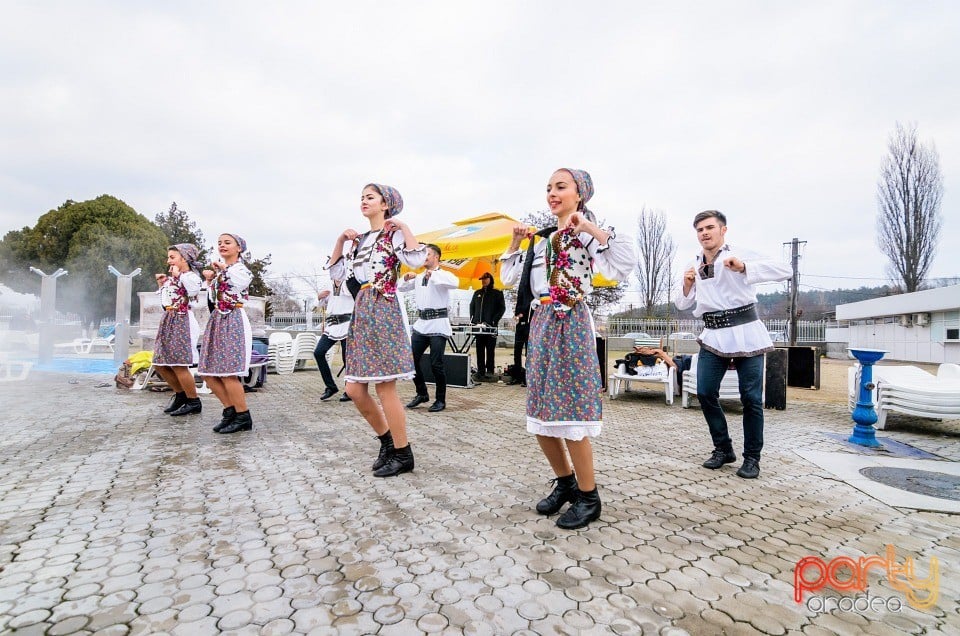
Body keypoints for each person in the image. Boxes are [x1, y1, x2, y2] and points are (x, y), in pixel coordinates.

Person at [501, 168, 635, 530]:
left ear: (580, 194)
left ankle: (590, 498)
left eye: (561, 187)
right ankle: (566, 484)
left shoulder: (583, 233)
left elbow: (624, 263)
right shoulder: (542, 240)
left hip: (571, 321)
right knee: (542, 412)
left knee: (571, 411)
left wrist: (589, 228)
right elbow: (508, 279)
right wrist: (515, 242)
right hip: (542, 323)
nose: (552, 193)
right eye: (548, 188)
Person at [675, 210, 791, 479]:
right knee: (704, 392)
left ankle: (752, 458)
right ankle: (723, 448)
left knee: (750, 398)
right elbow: (682, 304)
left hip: (746, 331)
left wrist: (744, 267)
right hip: (713, 334)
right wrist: (686, 283)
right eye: (700, 229)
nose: (704, 233)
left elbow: (786, 270)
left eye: (709, 227)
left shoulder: (738, 253)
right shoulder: (692, 262)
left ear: (723, 230)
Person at [327, 183, 425, 477]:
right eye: (362, 198)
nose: (363, 201)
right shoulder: (360, 240)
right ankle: (387, 441)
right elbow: (336, 274)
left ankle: (403, 452)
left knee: (385, 387)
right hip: (362, 309)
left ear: (386, 204)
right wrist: (340, 241)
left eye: (370, 197)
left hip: (383, 308)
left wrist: (404, 227)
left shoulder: (392, 234)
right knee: (354, 389)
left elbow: (416, 259)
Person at [199, 233, 255, 434]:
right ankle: (230, 410)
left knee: (228, 372)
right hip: (217, 320)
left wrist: (223, 271)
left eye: (227, 242)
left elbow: (241, 282)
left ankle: (243, 416)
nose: (222, 245)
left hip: (233, 319)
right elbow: (211, 299)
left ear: (239, 248)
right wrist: (210, 280)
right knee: (208, 372)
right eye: (220, 243)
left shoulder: (240, 269)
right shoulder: (222, 272)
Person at [398, 243, 458, 413]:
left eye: (428, 253)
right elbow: (400, 287)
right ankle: (422, 393)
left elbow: (455, 283)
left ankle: (440, 400)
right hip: (422, 324)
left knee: (435, 363)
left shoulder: (444, 275)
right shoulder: (418, 277)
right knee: (410, 360)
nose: (424, 256)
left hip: (438, 324)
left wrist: (434, 276)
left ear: (436, 257)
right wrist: (406, 278)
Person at [154, 243, 204, 417]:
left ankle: (193, 400)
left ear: (184, 258)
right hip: (169, 319)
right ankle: (181, 395)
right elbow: (166, 302)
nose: (169, 261)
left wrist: (179, 276)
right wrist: (163, 284)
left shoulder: (191, 276)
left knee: (179, 364)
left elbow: (192, 291)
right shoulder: (174, 278)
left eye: (172, 257)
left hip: (182, 319)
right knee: (160, 363)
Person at [314, 279, 354, 403]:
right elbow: (323, 303)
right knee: (319, 352)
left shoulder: (350, 282)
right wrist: (319, 296)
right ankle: (330, 387)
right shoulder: (328, 284)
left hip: (347, 323)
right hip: (332, 325)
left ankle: (350, 390)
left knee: (347, 358)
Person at [469, 272, 505, 381]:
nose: (484, 281)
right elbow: (472, 307)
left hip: (491, 328)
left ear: (491, 279)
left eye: (486, 279)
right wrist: (473, 320)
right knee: (479, 350)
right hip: (478, 328)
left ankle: (489, 371)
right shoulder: (477, 293)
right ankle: (480, 372)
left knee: (490, 350)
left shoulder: (497, 293)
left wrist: (494, 321)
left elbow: (502, 309)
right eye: (482, 279)